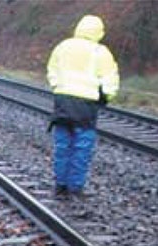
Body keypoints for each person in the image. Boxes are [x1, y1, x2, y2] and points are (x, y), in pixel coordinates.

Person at [47, 15, 119, 197]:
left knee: (62, 145)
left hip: (63, 101)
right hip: (86, 105)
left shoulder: (63, 46)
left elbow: (52, 70)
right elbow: (110, 79)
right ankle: (75, 187)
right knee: (82, 147)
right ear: (99, 32)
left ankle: (60, 185)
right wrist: (106, 98)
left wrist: (58, 88)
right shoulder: (100, 52)